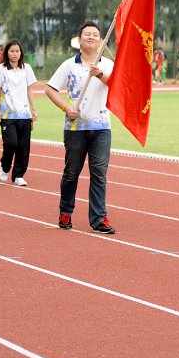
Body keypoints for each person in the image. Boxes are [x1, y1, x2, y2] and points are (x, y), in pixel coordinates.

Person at [45, 22, 115, 234]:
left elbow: (119, 87)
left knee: (99, 174)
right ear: (79, 40)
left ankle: (99, 218)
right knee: (71, 173)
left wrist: (100, 74)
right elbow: (50, 89)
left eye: (95, 35)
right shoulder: (69, 65)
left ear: (101, 40)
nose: (92, 37)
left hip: (102, 126)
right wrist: (66, 107)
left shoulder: (109, 65)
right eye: (87, 34)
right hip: (76, 128)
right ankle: (65, 211)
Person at [0, 39, 37, 186]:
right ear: (7, 53)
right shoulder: (0, 69)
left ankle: (18, 175)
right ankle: (5, 166)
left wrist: (34, 109)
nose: (15, 54)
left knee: (24, 147)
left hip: (24, 114)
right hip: (7, 114)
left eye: (17, 51)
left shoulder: (27, 68)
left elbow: (30, 89)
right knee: (11, 143)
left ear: (21, 53)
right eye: (12, 51)